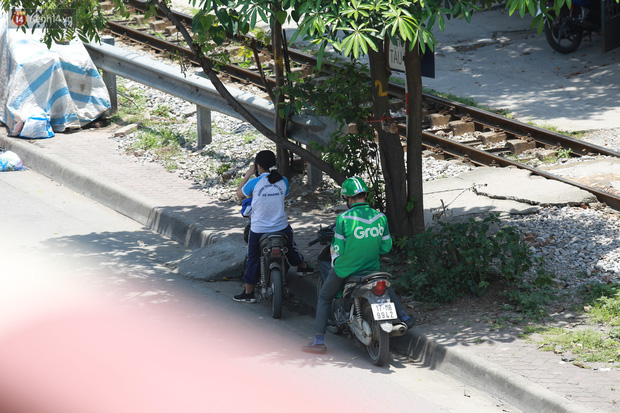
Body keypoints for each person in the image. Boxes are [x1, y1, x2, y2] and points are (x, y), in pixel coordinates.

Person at [302, 177, 414, 354]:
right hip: (372, 268)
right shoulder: (380, 217)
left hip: (346, 270)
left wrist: (338, 254)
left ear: (348, 199)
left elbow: (338, 247)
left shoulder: (344, 218)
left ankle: (318, 341)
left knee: (324, 297)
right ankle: (404, 316)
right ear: (365, 195)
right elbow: (386, 247)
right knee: (384, 282)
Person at [234, 150, 313, 303]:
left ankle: (248, 293)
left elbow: (238, 194)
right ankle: (303, 266)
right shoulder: (283, 180)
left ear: (258, 166)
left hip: (259, 230)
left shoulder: (254, 183)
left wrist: (248, 174)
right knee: (290, 247)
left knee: (253, 258)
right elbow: (284, 194)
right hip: (280, 227)